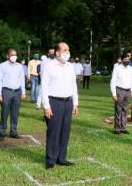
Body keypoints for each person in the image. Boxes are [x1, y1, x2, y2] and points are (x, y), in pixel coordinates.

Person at [42, 42, 79, 170]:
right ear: (57, 53)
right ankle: (50, 160)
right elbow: (44, 87)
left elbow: (73, 85)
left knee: (65, 132)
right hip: (54, 102)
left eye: (68, 50)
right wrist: (46, 106)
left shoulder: (70, 67)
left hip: (68, 102)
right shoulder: (49, 66)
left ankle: (62, 158)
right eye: (64, 50)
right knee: (53, 132)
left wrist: (75, 103)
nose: (67, 53)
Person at [0, 49, 26, 141]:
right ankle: (2, 132)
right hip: (6, 91)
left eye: (15, 55)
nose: (14, 56)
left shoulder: (19, 66)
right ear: (7, 56)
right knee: (4, 112)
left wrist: (23, 92)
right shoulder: (2, 66)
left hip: (17, 92)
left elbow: (22, 80)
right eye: (12, 55)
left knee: (15, 113)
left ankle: (13, 132)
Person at [110, 53, 132, 135]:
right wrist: (114, 94)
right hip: (119, 90)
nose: (127, 61)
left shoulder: (130, 68)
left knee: (125, 110)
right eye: (126, 59)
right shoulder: (117, 68)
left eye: (128, 60)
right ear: (122, 59)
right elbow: (113, 81)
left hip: (128, 91)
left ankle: (123, 128)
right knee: (118, 110)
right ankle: (117, 129)